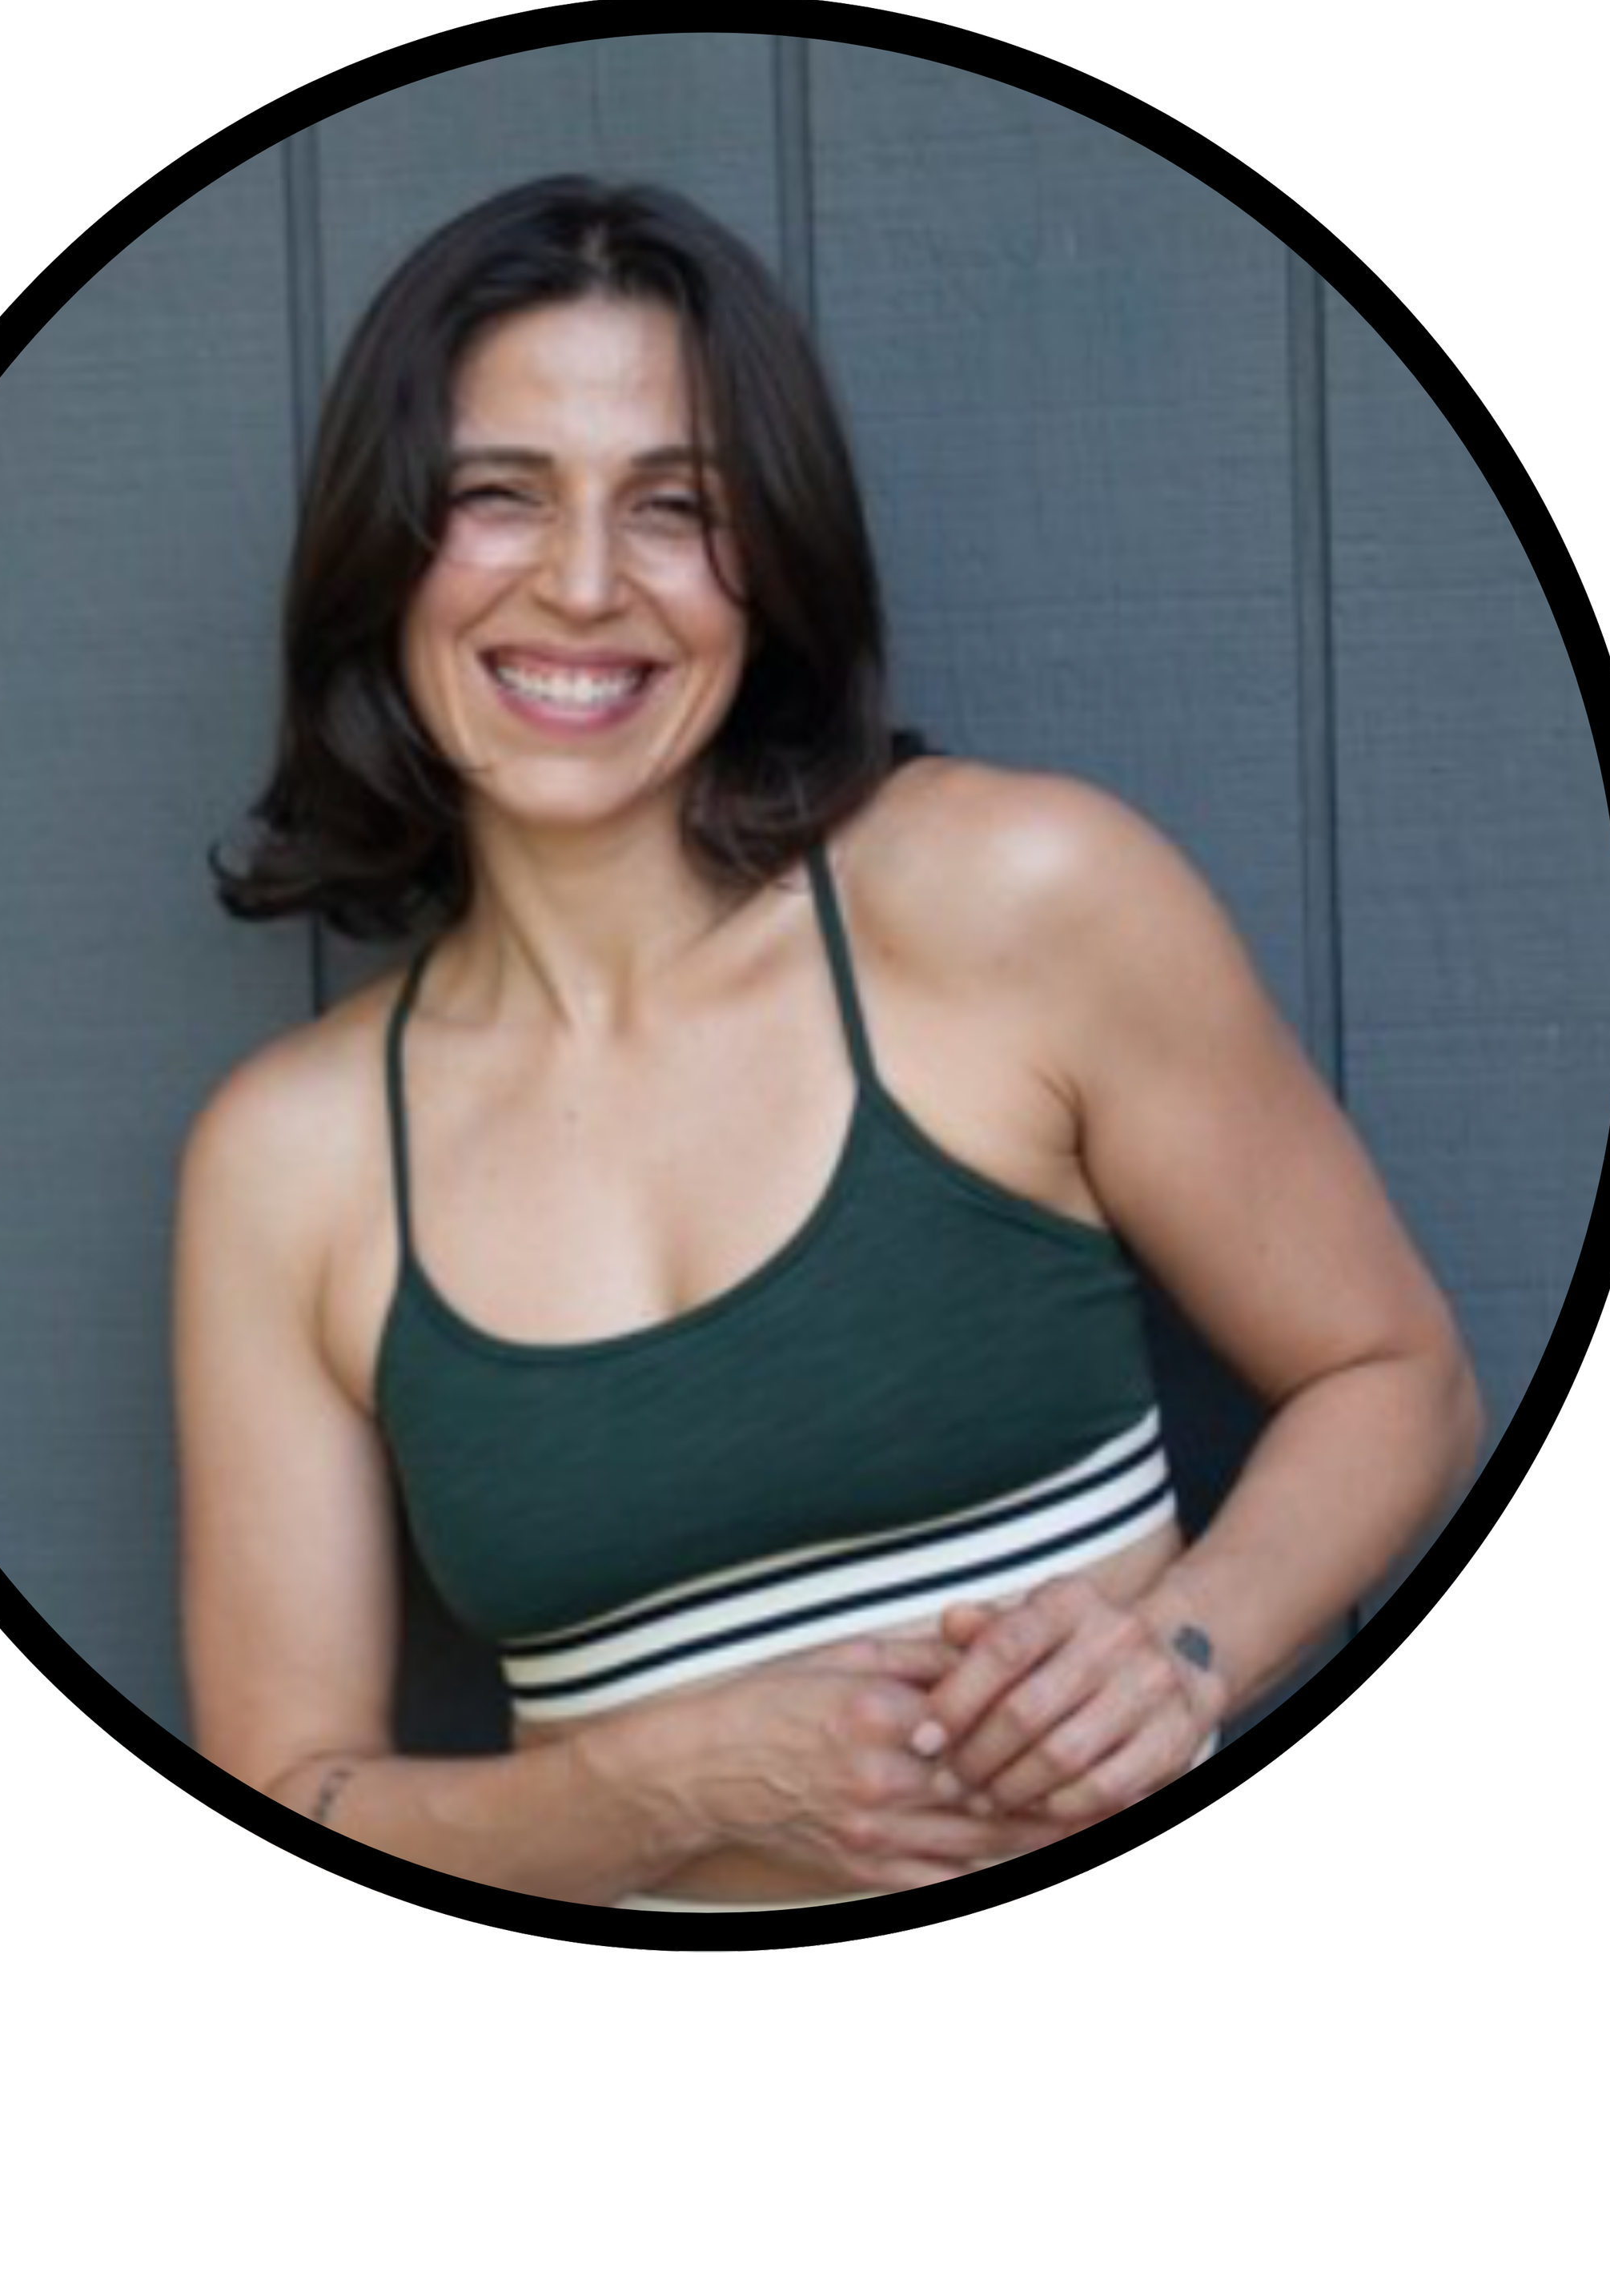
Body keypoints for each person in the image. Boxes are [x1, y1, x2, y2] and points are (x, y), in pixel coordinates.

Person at [177, 175, 1482, 1914]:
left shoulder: (1020, 898)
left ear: (773, 563)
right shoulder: (294, 1157)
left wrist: (1184, 1653)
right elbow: (289, 1790)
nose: (583, 583)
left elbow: (1394, 1374)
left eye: (675, 506)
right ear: (382, 550)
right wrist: (665, 1784)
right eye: (498, 495)